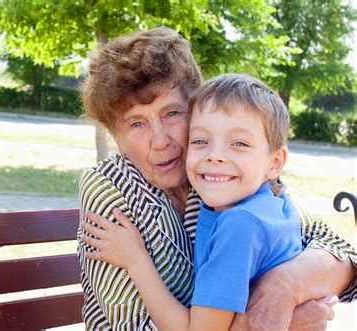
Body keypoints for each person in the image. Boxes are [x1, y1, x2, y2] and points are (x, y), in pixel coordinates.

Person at [77, 27, 356, 330]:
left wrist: (284, 287)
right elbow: (133, 325)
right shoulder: (108, 187)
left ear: (195, 111)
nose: (160, 141)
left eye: (172, 113)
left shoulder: (221, 180)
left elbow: (338, 250)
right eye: (136, 123)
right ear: (116, 137)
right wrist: (267, 324)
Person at [81, 73, 306, 330]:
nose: (215, 156)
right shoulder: (274, 202)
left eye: (239, 143)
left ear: (275, 163)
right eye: (201, 141)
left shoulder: (240, 225)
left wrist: (135, 259)